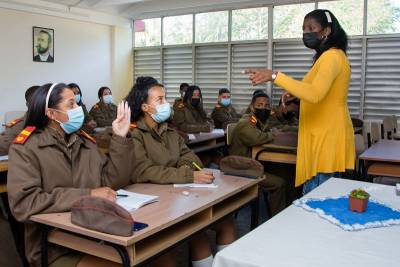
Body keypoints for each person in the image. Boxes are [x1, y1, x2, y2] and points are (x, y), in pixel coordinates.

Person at [7, 83, 136, 267]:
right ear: (51, 113)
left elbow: (112, 182)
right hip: (54, 246)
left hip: (96, 232)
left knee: (145, 254)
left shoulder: (85, 143)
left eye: (77, 103)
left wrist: (120, 137)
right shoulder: (26, 148)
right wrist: (88, 195)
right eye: (71, 105)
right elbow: (24, 204)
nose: (79, 109)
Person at [127, 77, 236, 267]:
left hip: (174, 195)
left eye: (165, 98)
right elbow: (143, 172)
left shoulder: (169, 132)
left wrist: (182, 169)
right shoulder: (134, 134)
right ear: (145, 107)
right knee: (170, 253)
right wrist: (187, 174)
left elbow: (192, 159)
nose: (166, 103)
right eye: (159, 100)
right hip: (152, 203)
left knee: (217, 225)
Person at [246, 9, 355, 194]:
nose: (306, 33)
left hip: (325, 140)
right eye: (303, 29)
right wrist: (296, 95)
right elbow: (319, 92)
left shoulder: (331, 57)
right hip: (321, 136)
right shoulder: (328, 57)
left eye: (311, 28)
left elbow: (315, 94)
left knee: (318, 204)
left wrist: (275, 76)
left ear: (326, 30)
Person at [229, 92, 287, 216]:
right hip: (242, 167)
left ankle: (286, 211)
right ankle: (278, 219)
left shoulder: (258, 121)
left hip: (253, 163)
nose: (263, 108)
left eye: (266, 106)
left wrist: (272, 133)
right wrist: (273, 135)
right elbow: (257, 138)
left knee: (287, 172)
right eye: (259, 105)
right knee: (279, 183)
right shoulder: (246, 122)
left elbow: (274, 128)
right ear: (252, 107)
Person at [0, 85, 39, 155]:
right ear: (28, 104)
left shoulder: (54, 121)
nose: (40, 105)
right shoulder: (21, 125)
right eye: (36, 102)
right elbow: (4, 147)